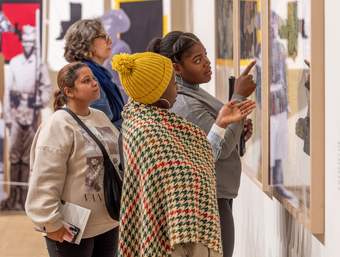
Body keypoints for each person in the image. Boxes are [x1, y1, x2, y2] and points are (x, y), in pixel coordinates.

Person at [111, 52, 255, 257]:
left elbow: (202, 154)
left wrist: (221, 123)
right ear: (157, 91)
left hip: (183, 236)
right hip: (175, 241)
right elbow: (181, 180)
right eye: (172, 83)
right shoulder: (148, 132)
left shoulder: (155, 120)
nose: (177, 88)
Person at [147, 31, 257, 257]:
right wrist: (238, 97)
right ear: (176, 68)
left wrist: (238, 132)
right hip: (211, 194)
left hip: (218, 190)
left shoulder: (193, 91)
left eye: (205, 55)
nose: (207, 63)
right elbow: (216, 149)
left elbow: (218, 135)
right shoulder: (185, 103)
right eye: (197, 60)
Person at [25, 62, 120, 257]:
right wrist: (51, 222)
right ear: (69, 91)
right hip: (72, 227)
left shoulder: (101, 117)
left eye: (93, 78)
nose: (95, 83)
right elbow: (44, 177)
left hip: (109, 221)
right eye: (86, 81)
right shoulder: (58, 124)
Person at [1, 25, 52, 211]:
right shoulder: (14, 62)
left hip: (32, 113)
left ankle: (24, 199)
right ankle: (13, 197)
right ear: (22, 43)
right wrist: (8, 116)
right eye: (26, 42)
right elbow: (7, 92)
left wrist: (40, 100)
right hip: (16, 113)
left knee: (28, 156)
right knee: (14, 155)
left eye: (32, 42)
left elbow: (47, 89)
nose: (28, 45)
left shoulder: (40, 65)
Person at [64, 19, 125, 129]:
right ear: (87, 42)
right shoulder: (86, 76)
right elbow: (103, 126)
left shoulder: (99, 73)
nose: (109, 41)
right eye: (103, 36)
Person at [101, 9, 131, 102]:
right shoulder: (102, 47)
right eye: (105, 25)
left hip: (119, 95)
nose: (108, 28)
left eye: (111, 25)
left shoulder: (121, 48)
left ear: (117, 28)